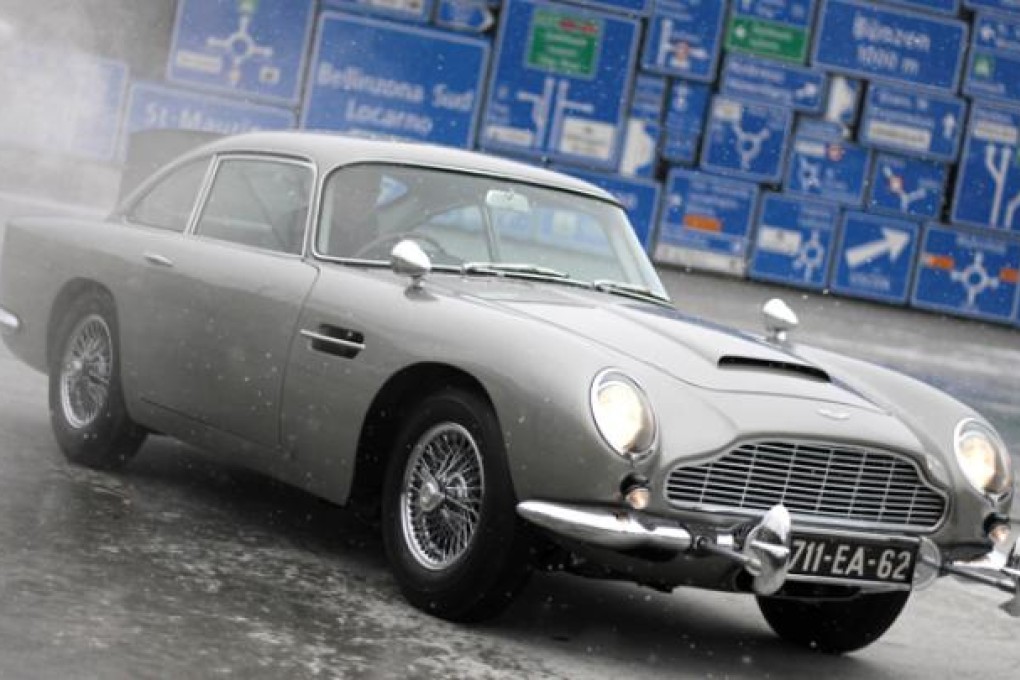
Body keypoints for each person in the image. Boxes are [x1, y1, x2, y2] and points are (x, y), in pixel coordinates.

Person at [322, 164, 383, 258]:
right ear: (339, 191)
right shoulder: (307, 223)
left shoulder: (370, 224)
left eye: (373, 193)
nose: (366, 201)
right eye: (359, 192)